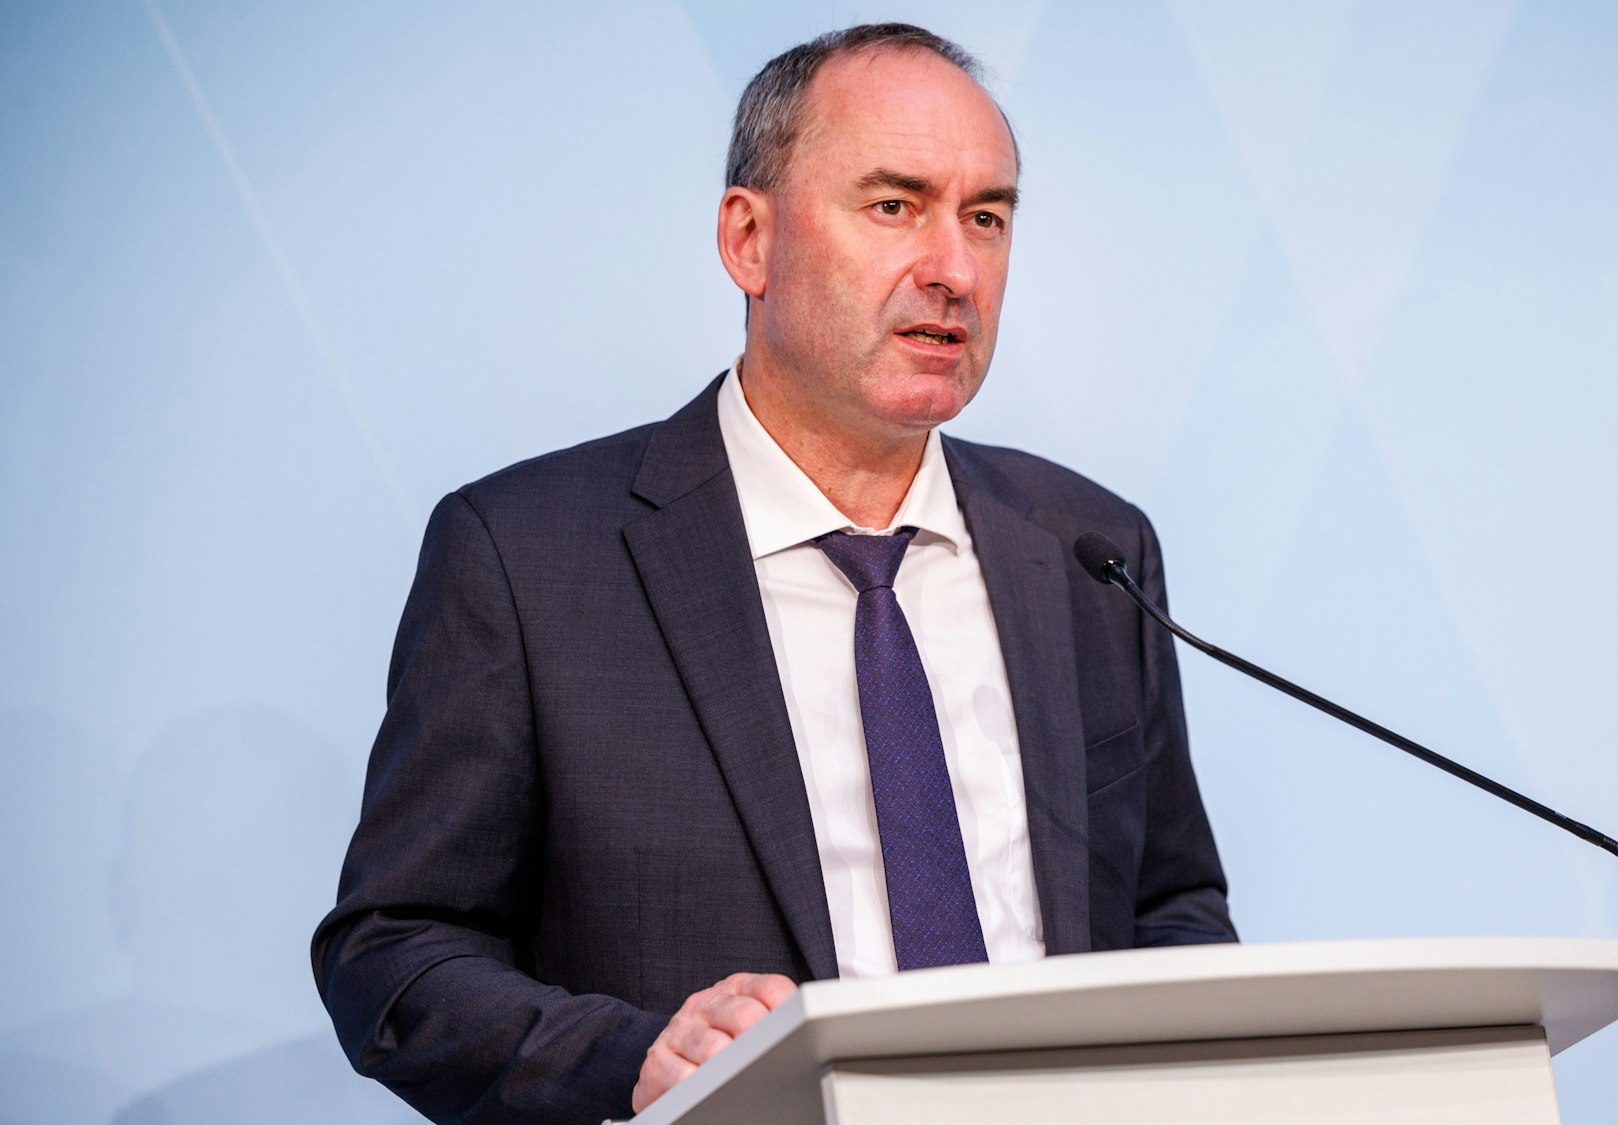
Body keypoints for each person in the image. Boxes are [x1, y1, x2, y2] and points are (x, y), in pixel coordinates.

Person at [312, 23, 1234, 1125]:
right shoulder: (527, 558)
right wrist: (636, 1055)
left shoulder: (1085, 545)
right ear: (748, 241)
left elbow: (1170, 904)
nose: (951, 268)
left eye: (984, 217)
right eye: (893, 206)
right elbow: (396, 955)